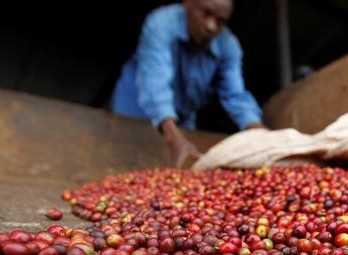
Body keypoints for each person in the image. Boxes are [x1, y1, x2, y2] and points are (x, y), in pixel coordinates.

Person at [111, 0, 264, 167]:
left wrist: (260, 133)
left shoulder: (228, 45)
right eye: (205, 13)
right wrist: (173, 137)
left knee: (180, 166)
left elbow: (235, 95)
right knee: (127, 162)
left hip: (183, 115)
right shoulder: (161, 24)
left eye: (220, 21)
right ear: (188, 3)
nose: (211, 26)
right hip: (136, 108)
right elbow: (155, 84)